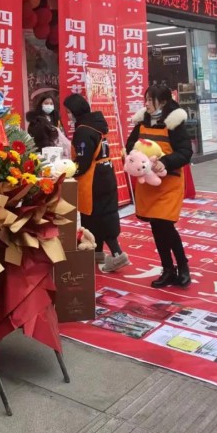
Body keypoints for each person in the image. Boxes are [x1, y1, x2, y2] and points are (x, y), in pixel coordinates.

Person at [125, 85, 193, 288]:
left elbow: (185, 151)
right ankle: (167, 269)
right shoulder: (142, 122)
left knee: (165, 224)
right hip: (148, 182)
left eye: (149, 99)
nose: (145, 103)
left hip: (169, 183)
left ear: (162, 102)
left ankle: (182, 266)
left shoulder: (174, 123)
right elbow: (130, 145)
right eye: (145, 99)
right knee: (156, 226)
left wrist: (166, 162)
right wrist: (137, 157)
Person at [64, 93, 128, 273]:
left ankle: (117, 255)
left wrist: (67, 171)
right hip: (106, 175)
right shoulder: (96, 125)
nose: (68, 115)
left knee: (98, 218)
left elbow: (82, 164)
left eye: (69, 112)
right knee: (98, 217)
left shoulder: (83, 131)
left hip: (93, 182)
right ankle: (97, 253)